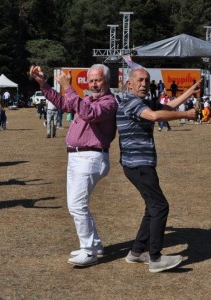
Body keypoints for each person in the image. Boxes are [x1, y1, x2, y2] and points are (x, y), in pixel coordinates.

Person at [30, 64, 117, 267]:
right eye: (91, 80)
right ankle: (94, 245)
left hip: (90, 157)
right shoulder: (87, 99)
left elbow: (89, 114)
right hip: (78, 157)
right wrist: (43, 84)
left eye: (98, 80)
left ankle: (89, 251)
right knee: (76, 205)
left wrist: (69, 87)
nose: (94, 84)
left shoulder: (109, 102)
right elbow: (63, 103)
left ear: (107, 81)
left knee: (77, 206)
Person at [117, 67, 200, 273]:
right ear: (129, 84)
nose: (144, 84)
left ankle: (136, 252)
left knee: (152, 207)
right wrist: (186, 114)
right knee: (160, 207)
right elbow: (154, 116)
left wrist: (191, 91)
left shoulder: (142, 102)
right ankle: (155, 258)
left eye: (147, 80)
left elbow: (168, 105)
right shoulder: (131, 102)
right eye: (139, 80)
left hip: (138, 165)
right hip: (139, 165)